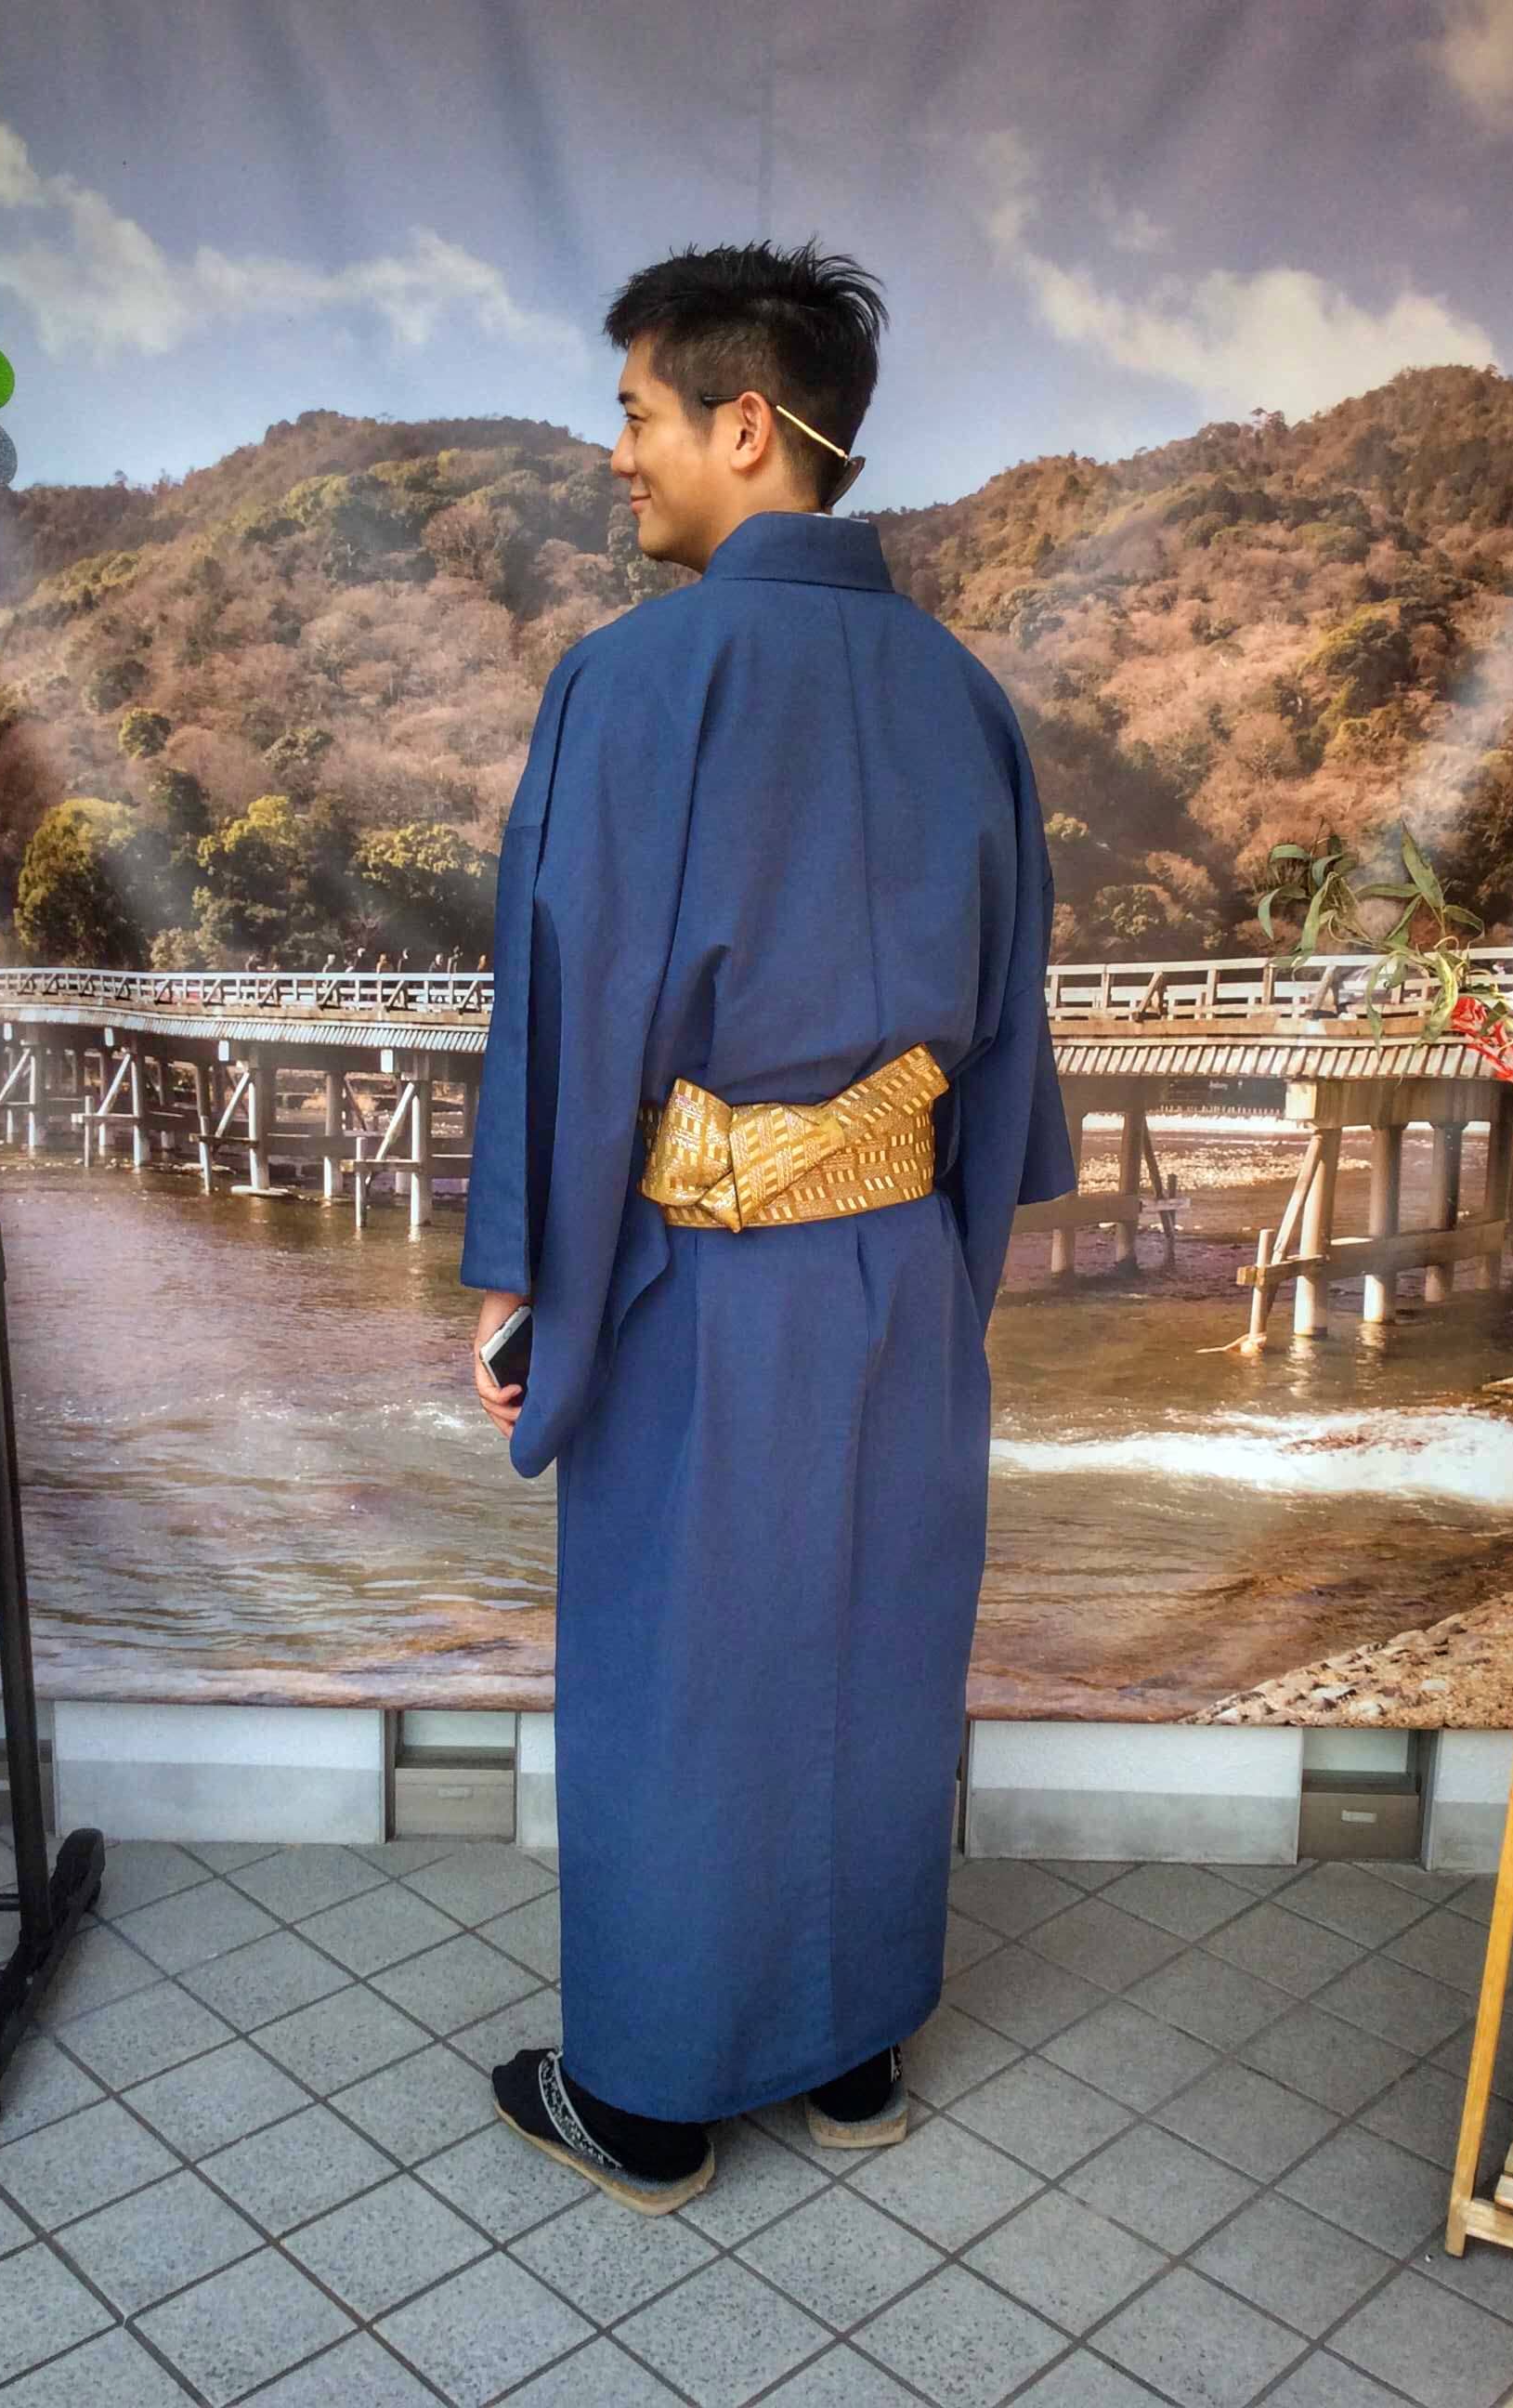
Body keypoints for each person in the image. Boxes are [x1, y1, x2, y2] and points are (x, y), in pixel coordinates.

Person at [461, 238, 1074, 2218]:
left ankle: (645, 2099)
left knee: (680, 1668)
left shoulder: (634, 681)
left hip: (698, 1273)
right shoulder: (965, 698)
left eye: (637, 412)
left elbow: (568, 1008)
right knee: (870, 1651)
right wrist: (943, 1266)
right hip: (895, 1263)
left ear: (745, 424)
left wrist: (524, 1284)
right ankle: (851, 2052)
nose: (617, 452)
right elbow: (1006, 1029)